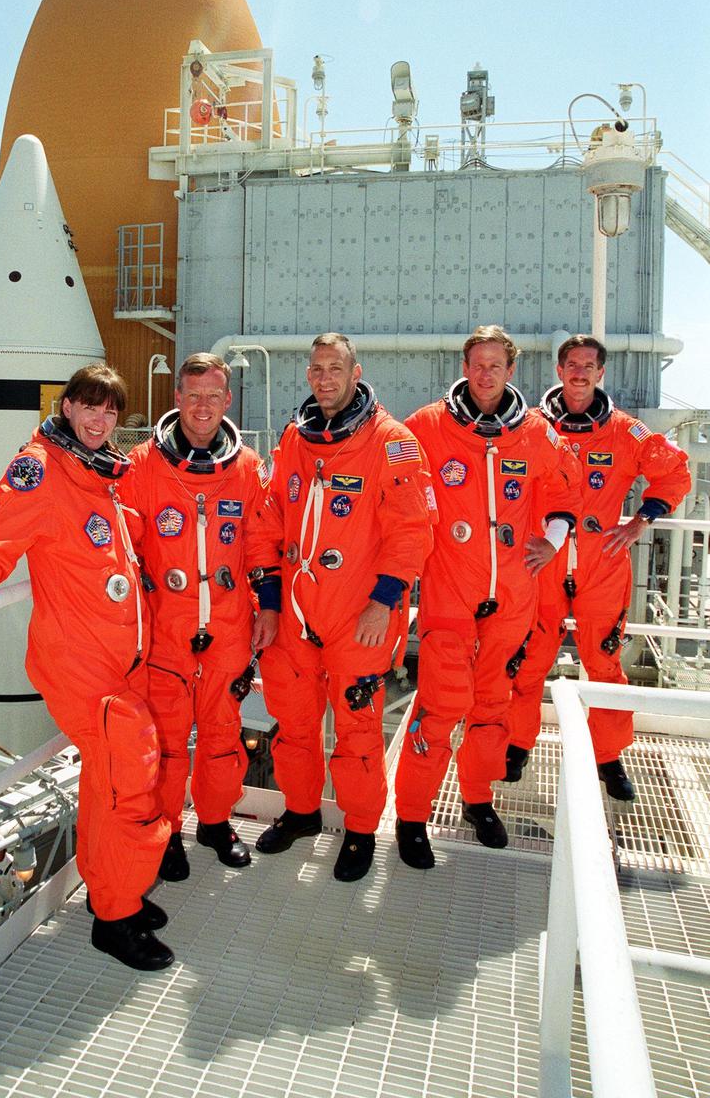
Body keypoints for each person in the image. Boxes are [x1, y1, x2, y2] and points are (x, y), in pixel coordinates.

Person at [0, 365, 173, 972]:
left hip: (122, 657)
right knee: (131, 776)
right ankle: (115, 920)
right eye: (89, 408)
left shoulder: (98, 473)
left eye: (109, 413)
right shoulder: (41, 468)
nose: (99, 421)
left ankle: (113, 894)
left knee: (108, 782)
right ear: (67, 407)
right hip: (81, 663)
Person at [248, 333, 435, 882]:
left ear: (356, 372)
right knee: (294, 724)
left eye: (335, 368)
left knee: (357, 728)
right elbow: (268, 520)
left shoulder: (391, 441)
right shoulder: (294, 437)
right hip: (296, 616)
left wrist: (384, 602)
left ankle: (359, 829)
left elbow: (411, 530)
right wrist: (270, 603)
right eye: (316, 369)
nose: (324, 379)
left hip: (359, 615)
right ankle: (302, 812)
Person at [395, 325, 582, 859]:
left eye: (495, 365)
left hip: (514, 592)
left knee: (492, 705)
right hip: (450, 590)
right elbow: (393, 475)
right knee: (439, 705)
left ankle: (478, 800)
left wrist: (554, 538)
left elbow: (566, 483)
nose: (484, 374)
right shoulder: (429, 426)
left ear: (511, 370)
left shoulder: (536, 431)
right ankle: (411, 816)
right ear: (464, 366)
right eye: (477, 363)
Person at [504, 335, 691, 800]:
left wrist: (640, 521)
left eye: (589, 365)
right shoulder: (529, 427)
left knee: (604, 664)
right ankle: (514, 744)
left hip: (602, 564)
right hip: (540, 561)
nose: (580, 373)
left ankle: (609, 757)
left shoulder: (627, 432)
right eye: (572, 365)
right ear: (559, 370)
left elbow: (675, 473)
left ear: (601, 373)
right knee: (526, 660)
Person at [127, 353, 270, 881]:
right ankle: (166, 834)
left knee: (222, 735)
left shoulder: (249, 468)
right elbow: (125, 548)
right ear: (177, 400)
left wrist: (268, 608)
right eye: (193, 396)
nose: (203, 407)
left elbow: (261, 545)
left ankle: (214, 822)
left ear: (228, 401)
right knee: (166, 744)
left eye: (214, 396)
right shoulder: (142, 465)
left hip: (229, 628)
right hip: (166, 630)